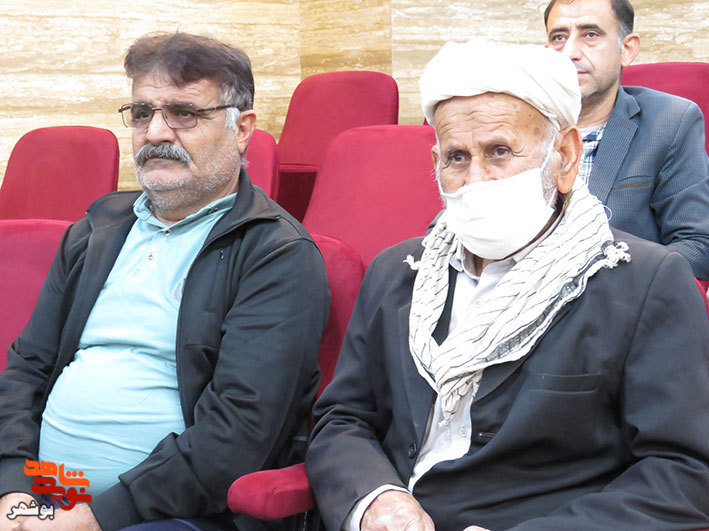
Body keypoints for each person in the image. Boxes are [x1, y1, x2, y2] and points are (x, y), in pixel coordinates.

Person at [305, 40, 709, 531]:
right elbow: (344, 418)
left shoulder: (643, 283)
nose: (476, 179)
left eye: (499, 151)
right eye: (456, 157)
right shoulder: (397, 272)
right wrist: (375, 500)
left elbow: (683, 473)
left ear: (564, 156)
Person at [0, 32, 329, 531]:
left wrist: (94, 517)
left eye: (184, 113)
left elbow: (240, 432)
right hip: (42, 493)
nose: (155, 133)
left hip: (172, 513)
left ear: (241, 129)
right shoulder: (95, 232)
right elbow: (27, 369)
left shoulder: (276, 253)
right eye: (141, 113)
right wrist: (13, 490)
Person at [544, 0, 709, 279]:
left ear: (627, 49)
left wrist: (597, 282)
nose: (570, 52)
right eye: (559, 37)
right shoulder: (517, 126)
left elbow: (698, 247)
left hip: (618, 298)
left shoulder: (670, 122)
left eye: (590, 34)